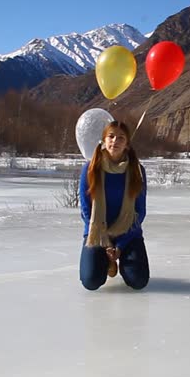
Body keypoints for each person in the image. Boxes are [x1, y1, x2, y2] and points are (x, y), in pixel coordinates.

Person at [79, 121, 148, 291]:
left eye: (121, 138)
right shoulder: (90, 168)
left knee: (138, 281)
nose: (115, 141)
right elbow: (86, 210)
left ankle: (121, 262)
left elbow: (140, 211)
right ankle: (105, 261)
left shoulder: (137, 170)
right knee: (91, 281)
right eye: (111, 136)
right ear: (104, 140)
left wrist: (120, 245)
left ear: (127, 144)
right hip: (97, 233)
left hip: (128, 234)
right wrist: (106, 243)